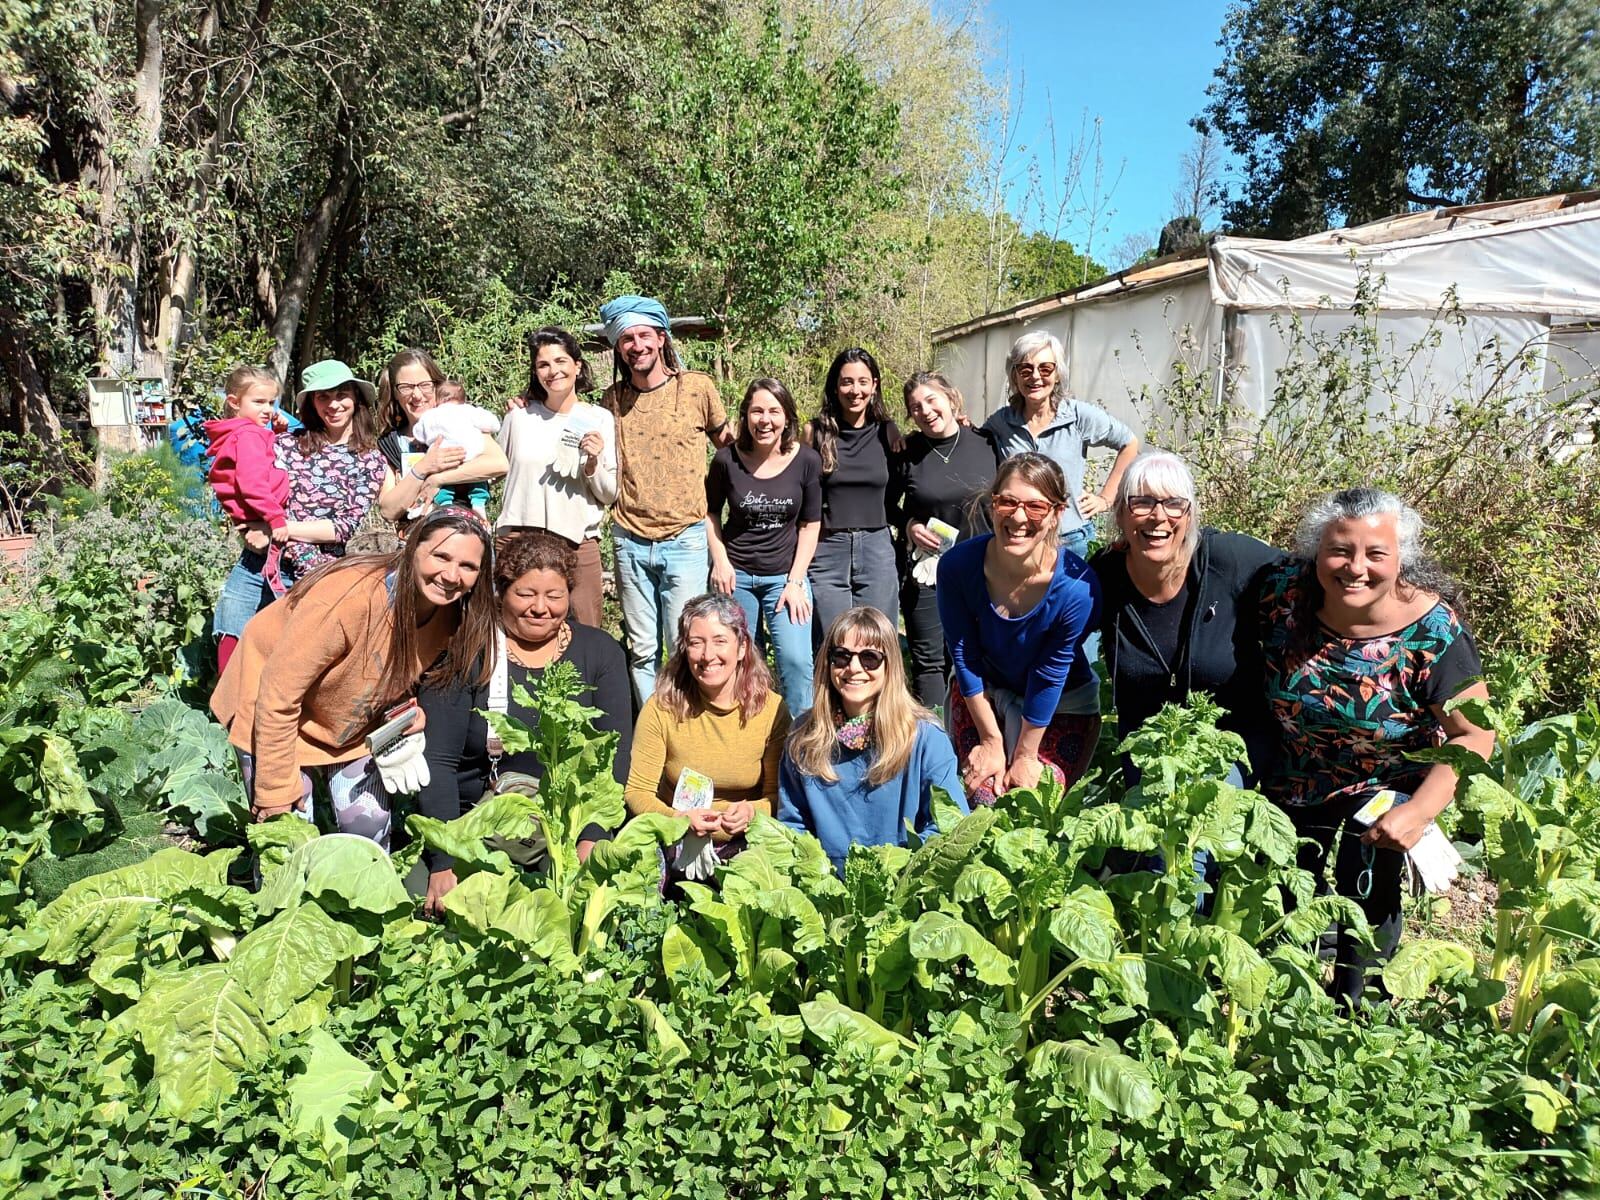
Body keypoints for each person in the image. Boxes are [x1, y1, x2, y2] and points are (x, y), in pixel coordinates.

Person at [1260, 487, 1493, 1006]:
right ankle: (1280, 1013)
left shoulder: (1431, 632)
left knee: (1365, 898)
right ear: (1316, 552)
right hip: (1294, 775)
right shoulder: (1282, 593)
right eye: (1340, 550)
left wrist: (1421, 811)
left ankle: (1356, 1018)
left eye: (1375, 554)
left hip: (1386, 784)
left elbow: (1474, 733)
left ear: (1401, 559)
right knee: (1282, 901)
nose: (1355, 567)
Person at [210, 507, 498, 847]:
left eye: (468, 566)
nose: (451, 575)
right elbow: (279, 692)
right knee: (286, 840)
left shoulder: (455, 617)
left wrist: (409, 710)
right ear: (413, 547)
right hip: (271, 711)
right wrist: (273, 789)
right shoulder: (348, 600)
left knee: (369, 827)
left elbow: (391, 668)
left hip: (345, 723)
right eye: (441, 556)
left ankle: (362, 901)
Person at [415, 531, 633, 912]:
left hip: (566, 832)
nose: (540, 608)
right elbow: (439, 762)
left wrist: (593, 837)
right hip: (475, 827)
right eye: (525, 594)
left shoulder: (601, 654)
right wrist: (444, 859)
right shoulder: (468, 650)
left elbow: (614, 758)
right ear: (501, 593)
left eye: (554, 596)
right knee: (427, 902)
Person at [1090, 451, 1282, 784]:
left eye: (1173, 504)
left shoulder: (1227, 560)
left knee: (1208, 818)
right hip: (1150, 750)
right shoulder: (1105, 576)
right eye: (1142, 503)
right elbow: (1051, 636)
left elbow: (1308, 581)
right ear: (1120, 513)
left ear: (1190, 515)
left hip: (1230, 746)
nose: (1158, 517)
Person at [937, 454, 1101, 805]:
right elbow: (964, 656)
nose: (1019, 517)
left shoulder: (1076, 587)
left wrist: (1025, 755)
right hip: (982, 695)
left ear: (1058, 513)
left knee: (1030, 803)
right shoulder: (957, 567)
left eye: (1036, 507)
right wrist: (991, 741)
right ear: (992, 504)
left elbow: (1050, 674)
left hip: (1060, 706)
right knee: (984, 798)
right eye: (1007, 502)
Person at [598, 295, 733, 702]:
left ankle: (688, 732)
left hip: (686, 540)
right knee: (641, 651)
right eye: (626, 339)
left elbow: (728, 448)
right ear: (618, 348)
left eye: (643, 335)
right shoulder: (612, 401)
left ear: (660, 337)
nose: (636, 345)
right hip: (630, 540)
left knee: (689, 646)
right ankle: (655, 732)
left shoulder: (696, 388)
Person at [778, 607, 966, 874]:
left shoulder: (925, 738)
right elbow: (792, 827)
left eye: (870, 658)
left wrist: (894, 873)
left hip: (907, 889)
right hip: (827, 895)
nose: (854, 668)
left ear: (890, 665)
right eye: (841, 656)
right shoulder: (805, 737)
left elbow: (950, 824)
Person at [624, 594, 790, 875]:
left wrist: (752, 813)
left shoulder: (771, 710)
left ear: (742, 648)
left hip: (744, 842)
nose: (707, 655)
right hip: (675, 837)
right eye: (696, 643)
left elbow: (778, 797)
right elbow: (637, 792)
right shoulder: (662, 706)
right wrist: (679, 819)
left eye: (719, 641)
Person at [706, 377, 822, 717]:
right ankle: (753, 739)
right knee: (743, 664)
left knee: (796, 662)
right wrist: (720, 561)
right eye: (757, 411)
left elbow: (811, 524)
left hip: (784, 578)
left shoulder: (806, 461)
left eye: (774, 411)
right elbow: (710, 513)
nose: (765, 420)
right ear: (745, 416)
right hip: (736, 577)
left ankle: (803, 743)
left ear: (787, 417)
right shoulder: (727, 460)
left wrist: (796, 581)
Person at [889, 371, 999, 708]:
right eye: (915, 407)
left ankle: (979, 735)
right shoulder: (906, 453)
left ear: (951, 399)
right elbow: (885, 504)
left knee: (978, 656)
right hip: (928, 573)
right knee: (930, 662)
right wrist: (908, 525)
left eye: (931, 400)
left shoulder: (987, 443)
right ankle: (935, 741)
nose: (925, 411)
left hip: (985, 571)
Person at [981, 329, 1141, 560]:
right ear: (1014, 376)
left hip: (1070, 539)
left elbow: (1129, 443)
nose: (1035, 376)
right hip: (1021, 537)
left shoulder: (1077, 417)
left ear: (1057, 375)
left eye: (1045, 368)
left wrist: (1106, 498)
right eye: (1025, 369)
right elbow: (972, 443)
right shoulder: (1001, 422)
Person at [496, 327, 617, 628]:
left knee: (586, 633)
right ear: (535, 372)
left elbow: (609, 493)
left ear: (577, 366)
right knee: (513, 630)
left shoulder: (599, 419)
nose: (553, 371)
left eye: (561, 361)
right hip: (518, 539)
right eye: (543, 364)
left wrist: (593, 463)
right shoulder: (518, 417)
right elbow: (494, 470)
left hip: (576, 543)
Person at [266, 359, 391, 586]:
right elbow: (254, 487)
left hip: (318, 576)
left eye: (341, 395)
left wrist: (280, 528)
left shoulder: (370, 460)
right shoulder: (285, 444)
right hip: (263, 563)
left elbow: (344, 527)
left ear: (355, 398)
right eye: (323, 396)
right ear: (312, 403)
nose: (333, 405)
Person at [805, 348, 901, 638]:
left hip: (876, 547)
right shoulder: (815, 432)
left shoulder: (888, 433)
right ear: (835, 386)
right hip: (827, 546)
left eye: (863, 381)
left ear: (874, 385)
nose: (855, 390)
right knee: (832, 639)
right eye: (847, 382)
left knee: (878, 638)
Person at [207, 365, 291, 673]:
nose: (268, 409)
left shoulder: (245, 433)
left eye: (271, 402)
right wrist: (276, 518)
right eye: (259, 402)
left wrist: (277, 432)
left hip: (257, 522)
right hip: (264, 519)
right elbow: (252, 482)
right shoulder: (249, 436)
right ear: (234, 401)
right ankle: (235, 693)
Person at [375, 349, 507, 524]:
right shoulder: (390, 443)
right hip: (414, 540)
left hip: (464, 533)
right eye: (406, 387)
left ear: (437, 386)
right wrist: (422, 468)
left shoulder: (462, 420)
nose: (417, 395)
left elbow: (498, 464)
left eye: (425, 385)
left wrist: (438, 479)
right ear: (395, 393)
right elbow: (388, 510)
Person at [410, 378, 501, 517]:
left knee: (443, 485)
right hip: (471, 456)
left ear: (437, 400)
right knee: (478, 481)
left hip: (444, 459)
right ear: (463, 399)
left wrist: (418, 440)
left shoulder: (431, 415)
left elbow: (418, 433)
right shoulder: (469, 411)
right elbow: (493, 424)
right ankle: (479, 503)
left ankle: (445, 503)